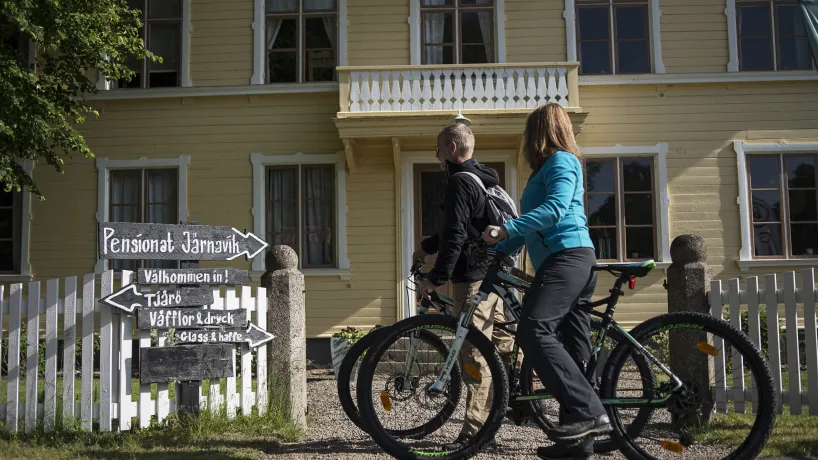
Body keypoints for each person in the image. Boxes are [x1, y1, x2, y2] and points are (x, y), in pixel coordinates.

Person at [482, 103, 611, 460]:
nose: (525, 141)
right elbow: (533, 226)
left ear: (539, 133)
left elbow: (555, 210)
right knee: (573, 349)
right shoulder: (547, 170)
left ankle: (590, 412)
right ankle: (578, 445)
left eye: (528, 133)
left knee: (532, 330)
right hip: (566, 259)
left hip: (567, 257)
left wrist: (506, 226)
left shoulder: (562, 162)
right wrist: (498, 247)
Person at [413, 122, 518, 448]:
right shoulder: (482, 181)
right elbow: (463, 227)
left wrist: (435, 278)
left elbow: (457, 235)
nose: (436, 154)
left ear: (452, 148)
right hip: (493, 276)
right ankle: (524, 401)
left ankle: (475, 433)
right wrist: (429, 246)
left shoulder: (460, 182)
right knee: (504, 347)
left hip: (472, 279)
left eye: (438, 148)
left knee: (472, 355)